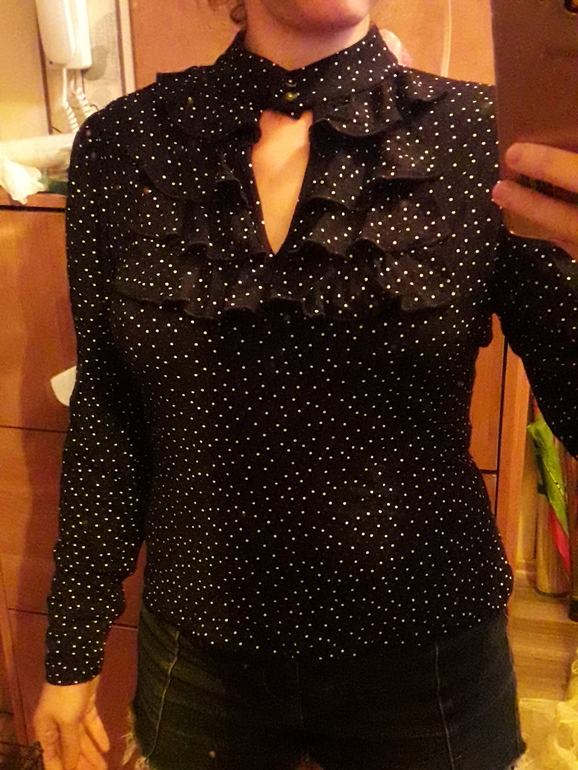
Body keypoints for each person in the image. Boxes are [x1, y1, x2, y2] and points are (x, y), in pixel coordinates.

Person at [34, 1, 578, 769]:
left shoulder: (484, 137)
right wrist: (72, 647)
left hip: (429, 659)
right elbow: (108, 415)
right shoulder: (123, 146)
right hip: (198, 658)